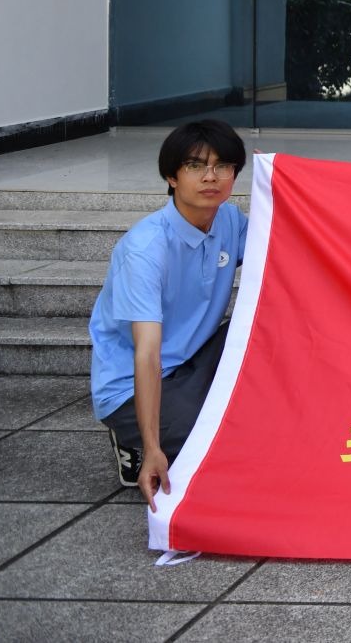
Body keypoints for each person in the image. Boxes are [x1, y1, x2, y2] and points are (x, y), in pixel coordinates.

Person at [90, 122, 248, 504]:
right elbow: (147, 353)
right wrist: (152, 447)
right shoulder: (145, 250)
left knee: (270, 328)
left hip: (195, 357)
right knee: (222, 441)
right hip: (132, 384)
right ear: (171, 176)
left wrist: (282, 181)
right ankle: (134, 440)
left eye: (223, 166)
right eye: (195, 166)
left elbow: (288, 249)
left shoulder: (229, 220)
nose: (210, 177)